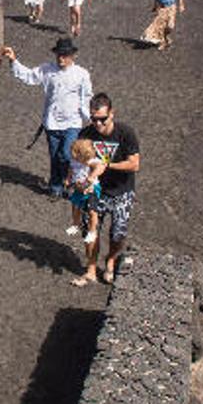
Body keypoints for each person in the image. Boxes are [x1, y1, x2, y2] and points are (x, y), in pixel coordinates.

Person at [1, 38, 93, 198]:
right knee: (54, 154)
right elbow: (29, 76)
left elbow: (86, 97)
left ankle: (66, 182)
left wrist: (91, 118)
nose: (61, 58)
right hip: (52, 123)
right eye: (59, 54)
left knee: (66, 154)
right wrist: (14, 60)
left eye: (64, 55)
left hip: (72, 123)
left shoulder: (82, 74)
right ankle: (55, 186)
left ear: (73, 56)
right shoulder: (47, 70)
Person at [72, 94, 140, 287]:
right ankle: (91, 268)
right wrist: (76, 180)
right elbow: (77, 160)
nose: (98, 123)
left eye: (103, 118)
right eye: (94, 119)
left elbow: (134, 164)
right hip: (95, 192)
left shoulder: (126, 133)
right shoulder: (86, 134)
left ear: (112, 113)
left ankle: (110, 260)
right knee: (90, 230)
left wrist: (107, 166)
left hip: (122, 191)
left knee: (118, 233)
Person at [65, 137, 106, 245]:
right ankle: (76, 224)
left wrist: (91, 177)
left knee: (92, 211)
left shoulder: (91, 160)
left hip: (91, 189)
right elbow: (71, 168)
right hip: (78, 187)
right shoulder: (74, 160)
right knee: (75, 207)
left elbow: (100, 166)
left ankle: (92, 231)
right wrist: (68, 178)